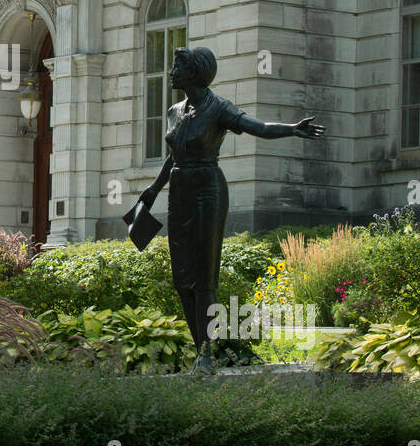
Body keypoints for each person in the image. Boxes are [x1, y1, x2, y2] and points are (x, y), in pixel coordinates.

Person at [133, 47, 325, 373]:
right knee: (182, 281)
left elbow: (258, 127)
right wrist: (153, 190)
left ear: (193, 72)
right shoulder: (173, 110)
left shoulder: (217, 107)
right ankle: (200, 352)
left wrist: (292, 128)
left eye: (177, 66)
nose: (171, 71)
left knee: (203, 277)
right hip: (179, 193)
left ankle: (208, 354)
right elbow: (174, 153)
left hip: (207, 191)